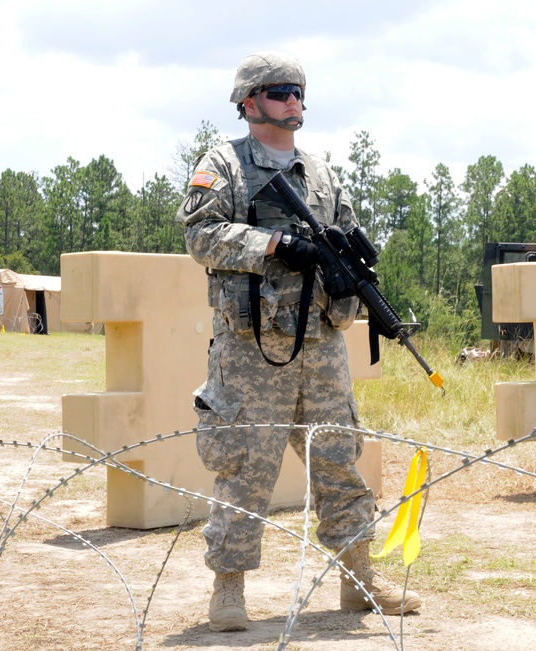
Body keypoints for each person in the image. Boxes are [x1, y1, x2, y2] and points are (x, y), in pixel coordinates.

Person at [175, 50, 421, 632]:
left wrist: (349, 256)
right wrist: (274, 246)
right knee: (246, 466)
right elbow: (201, 237)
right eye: (281, 91)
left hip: (321, 343)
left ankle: (359, 578)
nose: (294, 102)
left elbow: (347, 237)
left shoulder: (320, 172)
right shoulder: (224, 165)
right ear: (249, 101)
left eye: (299, 92)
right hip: (252, 348)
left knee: (340, 459)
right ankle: (228, 589)